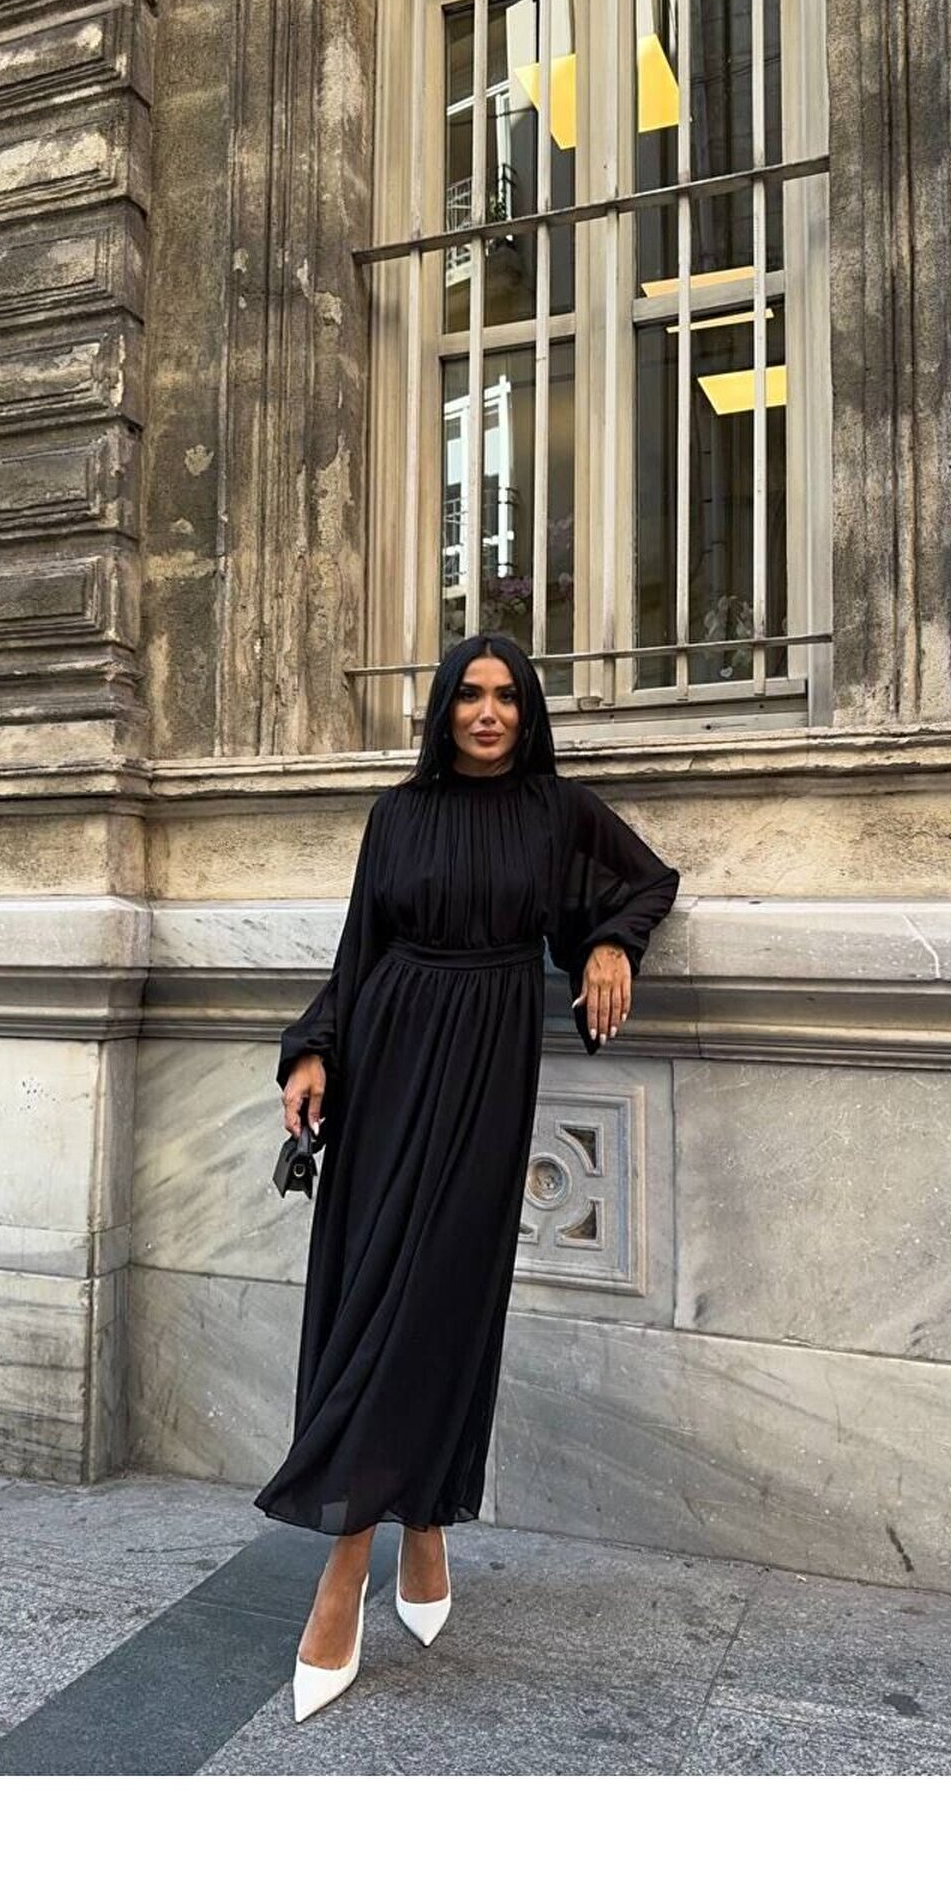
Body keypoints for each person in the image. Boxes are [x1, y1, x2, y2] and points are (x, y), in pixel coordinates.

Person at [257, 631, 680, 1720]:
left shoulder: (557, 812)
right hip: (388, 1058)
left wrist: (610, 945)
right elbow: (359, 949)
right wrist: (314, 1049)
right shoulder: (396, 816)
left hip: (489, 1064)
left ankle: (397, 1532)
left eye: (507, 697)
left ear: (527, 713)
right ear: (444, 708)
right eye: (470, 695)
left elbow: (646, 881)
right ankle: (375, 1544)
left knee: (444, 1299)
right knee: (368, 1297)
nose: (488, 712)